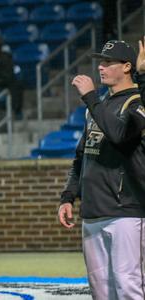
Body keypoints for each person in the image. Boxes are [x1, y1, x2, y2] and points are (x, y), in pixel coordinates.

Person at [58, 40, 145, 299]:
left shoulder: (136, 101)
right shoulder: (99, 105)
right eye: (101, 61)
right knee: (100, 290)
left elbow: (120, 135)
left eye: (109, 62)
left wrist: (90, 97)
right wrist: (68, 196)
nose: (101, 67)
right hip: (93, 210)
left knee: (128, 285)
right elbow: (81, 155)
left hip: (126, 210)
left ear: (127, 67)